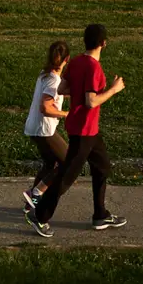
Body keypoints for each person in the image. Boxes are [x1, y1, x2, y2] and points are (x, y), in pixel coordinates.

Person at [25, 24, 127, 238]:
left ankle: (100, 215)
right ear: (104, 43)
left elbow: (62, 89)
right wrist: (113, 90)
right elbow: (91, 102)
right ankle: (40, 215)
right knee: (66, 177)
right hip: (84, 130)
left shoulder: (76, 62)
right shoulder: (93, 67)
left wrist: (79, 90)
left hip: (88, 129)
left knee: (102, 167)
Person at [21, 41, 71, 213]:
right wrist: (66, 114)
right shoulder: (53, 80)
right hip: (44, 130)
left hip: (33, 127)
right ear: (67, 59)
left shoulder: (44, 75)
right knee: (68, 161)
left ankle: (30, 204)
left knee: (50, 164)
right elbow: (45, 107)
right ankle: (35, 193)